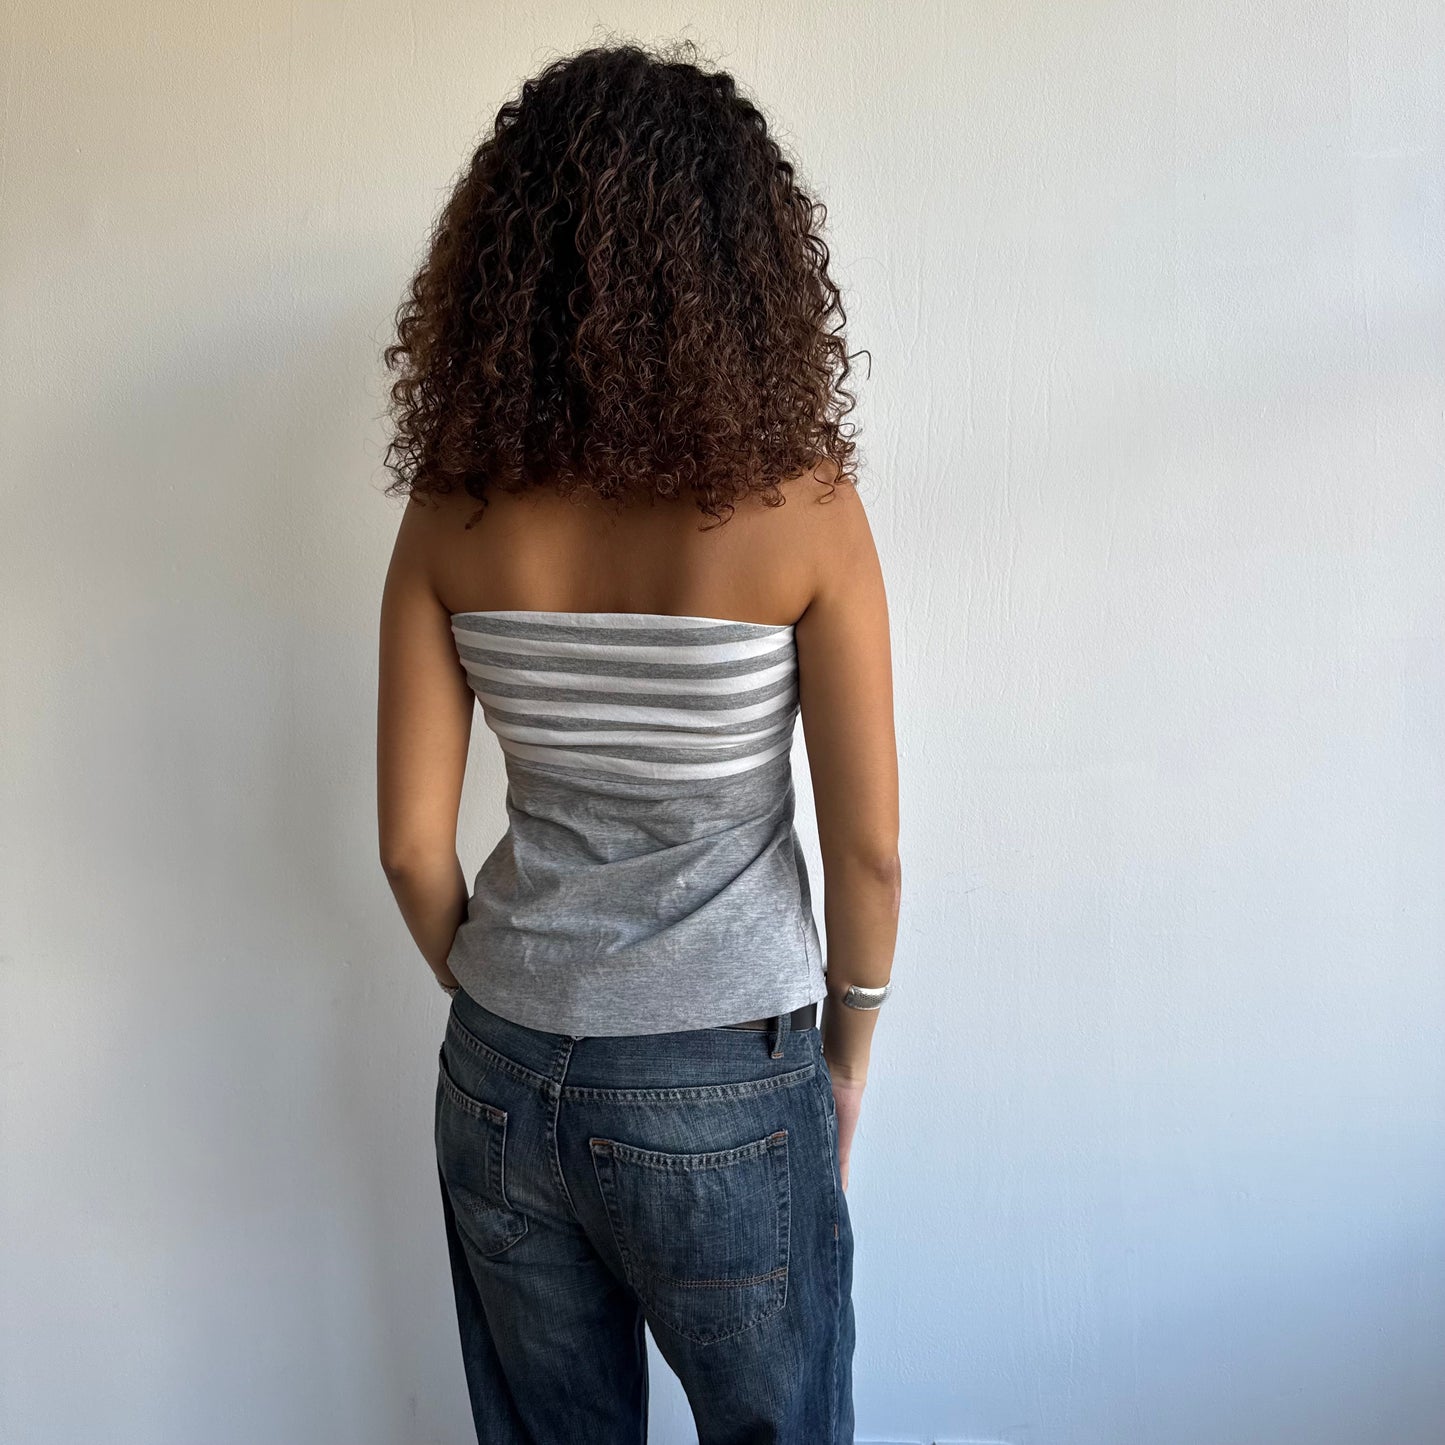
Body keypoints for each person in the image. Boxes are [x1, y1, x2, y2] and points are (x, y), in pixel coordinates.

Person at [375, 38, 900, 1445]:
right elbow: (870, 848)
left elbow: (413, 847)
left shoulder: (450, 515)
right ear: (744, 272)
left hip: (499, 1069)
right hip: (726, 1069)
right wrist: (846, 1051)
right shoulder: (807, 514)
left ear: (504, 274)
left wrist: (513, 992)